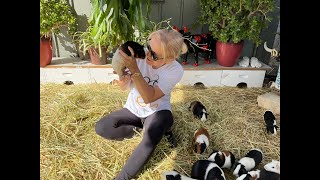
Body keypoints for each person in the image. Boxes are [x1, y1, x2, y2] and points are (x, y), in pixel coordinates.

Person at [95, 28, 188, 180]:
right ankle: (139, 130)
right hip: (133, 110)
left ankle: (122, 177)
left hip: (157, 112)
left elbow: (149, 97)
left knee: (153, 134)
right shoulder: (139, 54)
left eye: (154, 54)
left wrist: (134, 69)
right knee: (102, 127)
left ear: (170, 58)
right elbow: (125, 85)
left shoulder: (175, 70)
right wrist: (123, 80)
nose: (147, 54)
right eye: (148, 47)